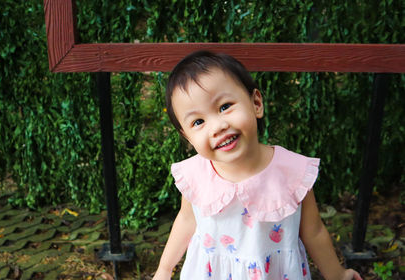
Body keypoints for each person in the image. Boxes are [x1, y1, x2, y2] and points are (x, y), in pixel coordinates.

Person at [153, 51, 362, 280]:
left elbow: (313, 231)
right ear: (188, 137)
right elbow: (186, 220)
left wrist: (338, 275)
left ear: (256, 103)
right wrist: (164, 269)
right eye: (198, 122)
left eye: (224, 107)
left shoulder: (292, 172)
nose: (217, 126)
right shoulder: (196, 175)